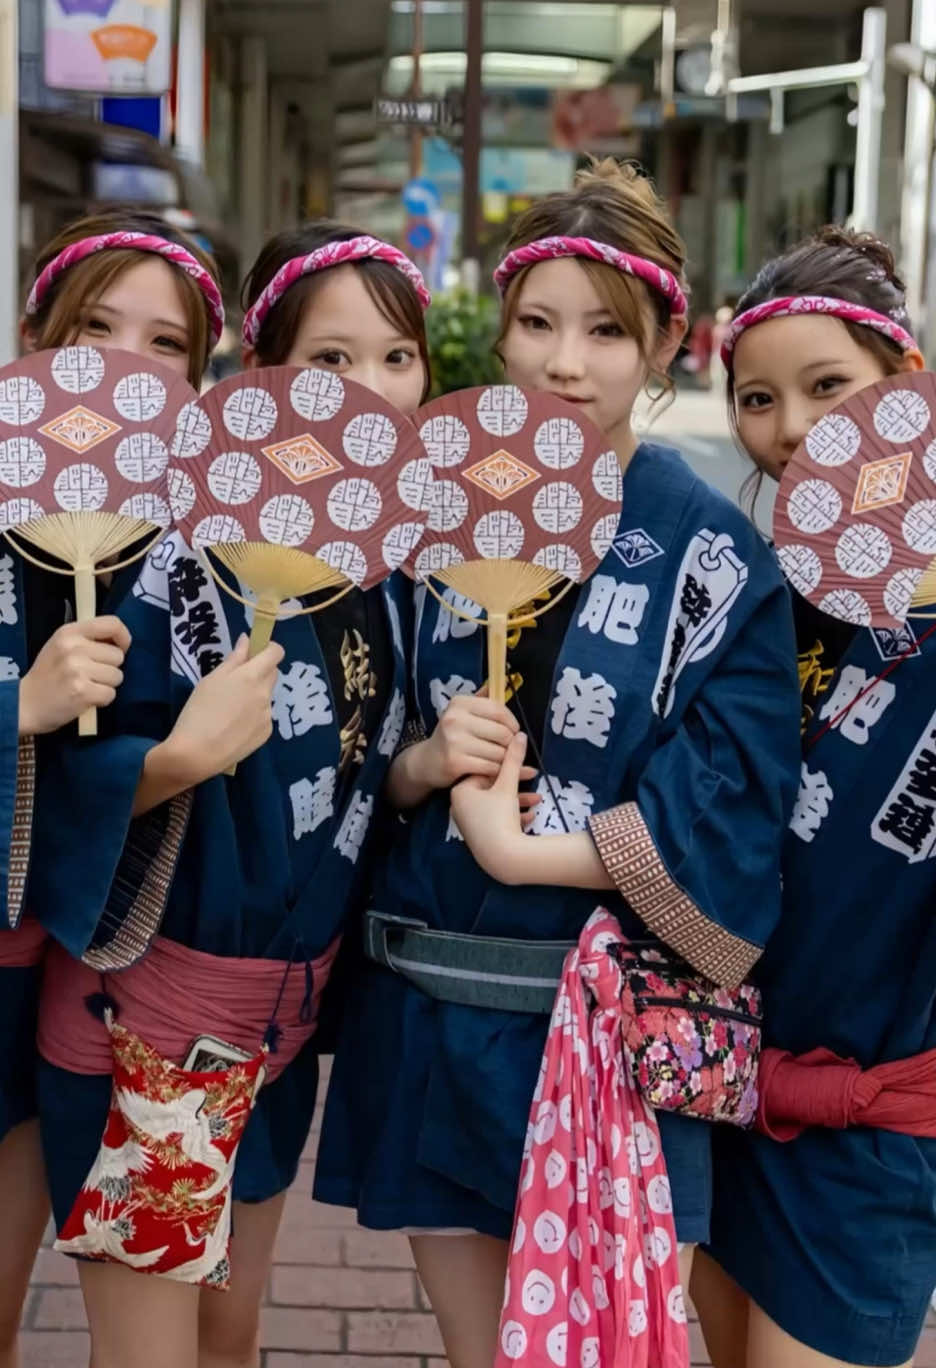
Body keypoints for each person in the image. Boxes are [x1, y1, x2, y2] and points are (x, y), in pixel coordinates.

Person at [314, 159, 802, 1368]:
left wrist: (519, 850)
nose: (565, 364)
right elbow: (347, 739)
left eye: (606, 332)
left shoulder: (711, 552)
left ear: (668, 344)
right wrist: (421, 770)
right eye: (537, 324)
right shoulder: (426, 507)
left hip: (606, 1048)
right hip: (430, 1017)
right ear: (500, 325)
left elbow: (734, 811)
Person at [34, 221, 430, 1368]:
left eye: (396, 358)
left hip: (276, 1034)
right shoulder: (154, 545)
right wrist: (173, 760)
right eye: (330, 361)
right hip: (150, 1035)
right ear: (259, 373)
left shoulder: (386, 567)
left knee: (229, 1330)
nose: (368, 391)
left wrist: (422, 767)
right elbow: (60, 772)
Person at [692, 228, 936, 1368]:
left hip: (873, 1130)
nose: (791, 429)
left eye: (828, 386)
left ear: (908, 384)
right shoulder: (755, 597)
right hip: (718, 1093)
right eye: (759, 399)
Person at [0, 208, 224, 1368]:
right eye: (97, 328)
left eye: (167, 344)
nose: (129, 365)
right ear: (35, 336)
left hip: (94, 983)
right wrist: (19, 709)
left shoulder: (203, 549)